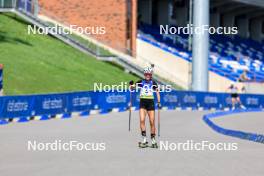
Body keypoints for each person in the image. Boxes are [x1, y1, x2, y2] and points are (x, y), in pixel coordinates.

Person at [129, 66, 161, 148]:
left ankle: (153, 140)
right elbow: (132, 88)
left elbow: (157, 92)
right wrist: (131, 85)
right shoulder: (140, 82)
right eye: (146, 74)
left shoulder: (153, 83)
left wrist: (159, 102)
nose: (147, 75)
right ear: (144, 74)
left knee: (152, 122)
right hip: (142, 103)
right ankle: (144, 140)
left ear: (151, 75)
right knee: (142, 120)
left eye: (149, 74)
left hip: (150, 103)